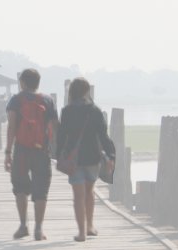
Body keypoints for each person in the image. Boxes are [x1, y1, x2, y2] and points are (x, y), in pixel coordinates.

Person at [56, 77, 116, 242]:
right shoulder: (94, 110)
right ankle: (90, 226)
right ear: (86, 91)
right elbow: (103, 136)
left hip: (73, 159)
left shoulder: (67, 111)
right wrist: (111, 155)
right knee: (89, 192)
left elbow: (61, 136)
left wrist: (59, 153)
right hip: (93, 157)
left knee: (78, 195)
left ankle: (81, 232)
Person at [4, 69, 58, 241]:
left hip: (21, 150)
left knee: (20, 187)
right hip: (42, 150)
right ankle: (39, 229)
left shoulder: (16, 100)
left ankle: (23, 226)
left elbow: (11, 127)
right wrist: (56, 150)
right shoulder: (48, 100)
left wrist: (7, 152)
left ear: (23, 83)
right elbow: (55, 126)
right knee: (41, 190)